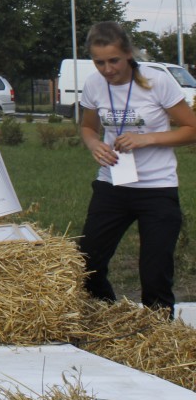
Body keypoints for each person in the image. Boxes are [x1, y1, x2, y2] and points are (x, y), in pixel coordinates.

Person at [77, 21, 196, 317]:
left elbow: (191, 128)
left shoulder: (157, 81)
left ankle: (157, 331)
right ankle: (107, 317)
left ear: (128, 54)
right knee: (87, 263)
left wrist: (147, 139)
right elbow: (88, 127)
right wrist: (94, 145)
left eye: (114, 60)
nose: (107, 69)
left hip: (157, 188)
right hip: (112, 185)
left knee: (155, 272)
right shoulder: (93, 84)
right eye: (99, 62)